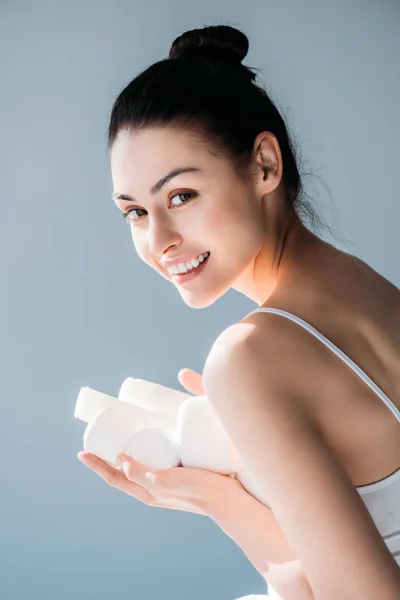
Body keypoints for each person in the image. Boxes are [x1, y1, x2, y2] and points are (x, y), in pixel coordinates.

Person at [78, 24, 400, 600]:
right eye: (134, 212)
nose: (159, 241)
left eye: (180, 196)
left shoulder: (249, 356)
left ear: (264, 165)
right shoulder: (365, 287)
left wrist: (217, 496)